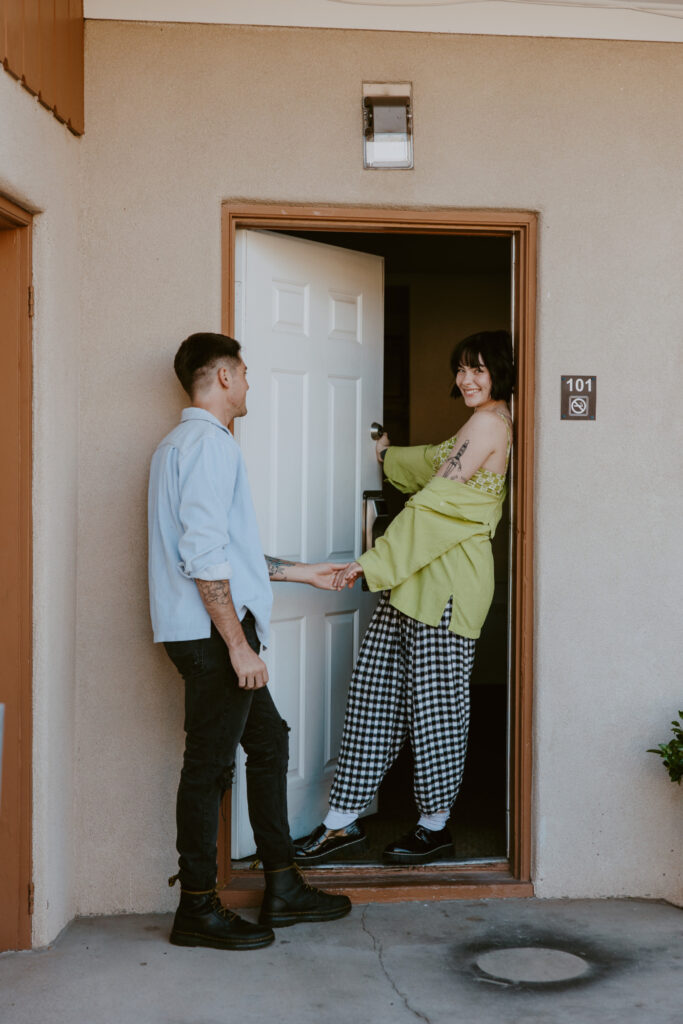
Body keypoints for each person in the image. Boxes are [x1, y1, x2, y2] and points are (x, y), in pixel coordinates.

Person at [148, 332, 351, 951]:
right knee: (208, 768)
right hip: (213, 639)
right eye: (247, 373)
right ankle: (198, 908)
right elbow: (204, 557)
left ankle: (282, 885)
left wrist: (301, 572)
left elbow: (228, 553)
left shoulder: (178, 445)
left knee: (269, 741)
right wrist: (238, 645)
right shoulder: (210, 446)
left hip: (206, 633)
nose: (250, 385)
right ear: (227, 377)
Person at [294, 330, 514, 867]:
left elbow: (433, 509)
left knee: (435, 708)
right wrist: (387, 453)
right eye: (461, 369)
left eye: (478, 369)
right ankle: (341, 820)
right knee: (374, 694)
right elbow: (433, 464)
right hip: (413, 580)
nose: (465, 379)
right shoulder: (479, 421)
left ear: (501, 373)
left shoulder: (491, 422)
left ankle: (435, 826)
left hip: (448, 585)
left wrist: (369, 564)